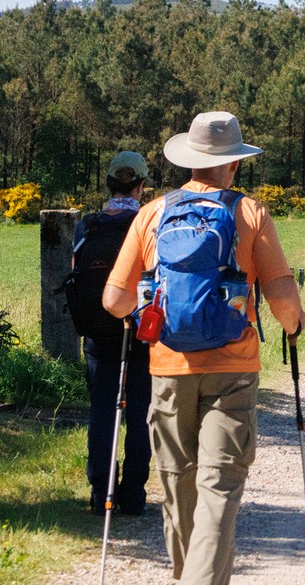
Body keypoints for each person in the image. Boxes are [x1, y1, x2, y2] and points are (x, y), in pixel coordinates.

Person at [103, 111, 305, 584]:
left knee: (179, 489)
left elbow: (114, 299)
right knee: (219, 488)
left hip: (169, 368)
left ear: (189, 160)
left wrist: (148, 314)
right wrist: (294, 325)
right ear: (234, 163)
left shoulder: (152, 213)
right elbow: (282, 300)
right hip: (233, 369)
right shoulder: (250, 213)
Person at [79, 151, 152, 516]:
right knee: (139, 412)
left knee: (102, 411)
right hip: (139, 332)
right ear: (141, 186)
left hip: (98, 332)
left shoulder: (88, 225)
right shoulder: (147, 222)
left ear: (108, 184)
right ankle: (134, 494)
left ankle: (100, 492)